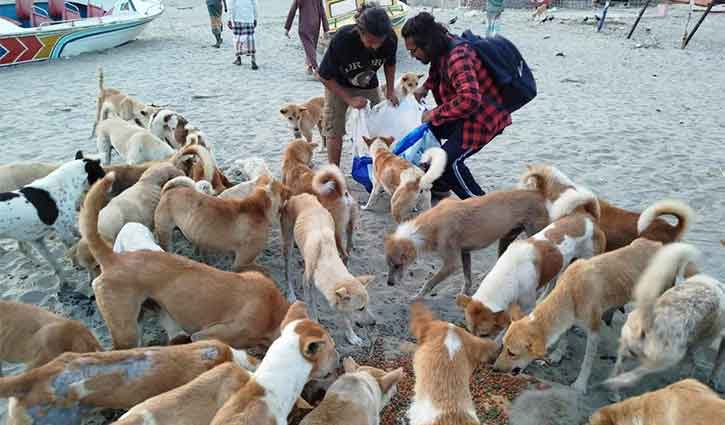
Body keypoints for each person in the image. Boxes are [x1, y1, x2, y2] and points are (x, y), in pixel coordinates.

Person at [402, 12, 511, 199]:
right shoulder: (441, 45)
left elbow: (470, 100)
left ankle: (481, 208)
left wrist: (434, 113)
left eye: (413, 51)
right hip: (462, 113)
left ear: (426, 44)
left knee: (445, 161)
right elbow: (437, 69)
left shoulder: (458, 57)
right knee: (428, 133)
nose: (412, 56)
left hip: (482, 118)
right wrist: (425, 88)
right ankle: (440, 184)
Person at [317, 4, 399, 166]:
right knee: (334, 128)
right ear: (360, 32)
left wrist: (390, 90)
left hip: (368, 83)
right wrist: (349, 99)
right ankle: (335, 171)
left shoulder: (389, 38)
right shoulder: (343, 39)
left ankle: (378, 165)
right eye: (370, 41)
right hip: (338, 84)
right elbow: (324, 76)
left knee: (379, 123)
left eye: (379, 42)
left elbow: (390, 64)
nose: (375, 46)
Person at [284, 0, 330, 75]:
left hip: (304, 26)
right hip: (316, 25)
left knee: (309, 47)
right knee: (311, 47)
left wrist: (287, 28)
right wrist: (326, 29)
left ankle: (316, 68)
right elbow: (322, 11)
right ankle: (309, 66)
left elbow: (292, 10)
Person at [227, 0, 258, 69]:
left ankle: (238, 58)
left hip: (237, 18)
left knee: (237, 39)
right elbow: (255, 4)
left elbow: (230, 5)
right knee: (250, 39)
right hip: (249, 17)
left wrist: (229, 19)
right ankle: (253, 60)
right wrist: (255, 17)